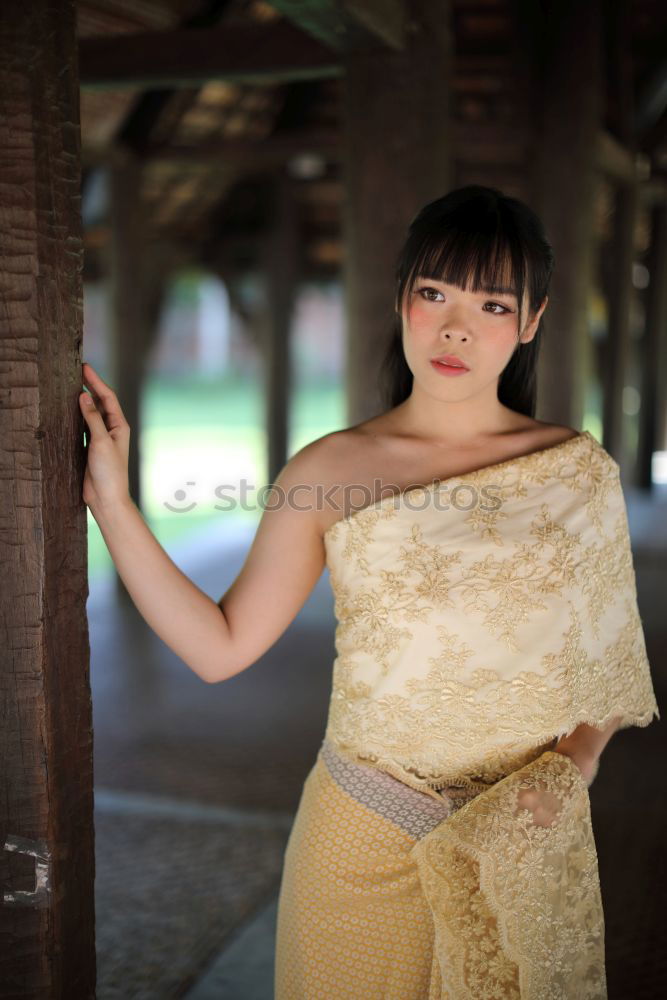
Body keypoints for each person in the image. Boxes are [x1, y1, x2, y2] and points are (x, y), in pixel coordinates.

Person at [80, 184, 660, 1000]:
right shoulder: (328, 472)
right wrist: (112, 503)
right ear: (401, 299)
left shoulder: (574, 474)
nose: (455, 327)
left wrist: (572, 772)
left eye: (491, 303)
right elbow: (219, 647)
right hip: (360, 834)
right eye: (434, 293)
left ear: (530, 322)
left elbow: (608, 663)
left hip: (517, 842)